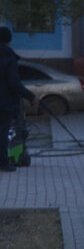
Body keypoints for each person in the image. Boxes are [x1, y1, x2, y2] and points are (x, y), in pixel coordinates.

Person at [0, 26, 36, 173]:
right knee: (2, 132)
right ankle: (3, 162)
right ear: (8, 41)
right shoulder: (9, 58)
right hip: (4, 103)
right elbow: (14, 83)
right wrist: (31, 96)